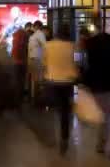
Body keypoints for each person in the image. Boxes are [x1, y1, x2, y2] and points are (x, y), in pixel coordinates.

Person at [82, 19, 110, 154]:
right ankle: (101, 142)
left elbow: (88, 63)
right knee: (106, 114)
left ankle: (100, 140)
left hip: (95, 82)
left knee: (100, 112)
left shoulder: (90, 43)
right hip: (108, 82)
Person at [43, 24, 78, 155]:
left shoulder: (48, 45)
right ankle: (64, 138)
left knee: (53, 109)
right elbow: (74, 64)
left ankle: (52, 137)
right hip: (67, 82)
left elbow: (44, 62)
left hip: (52, 81)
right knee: (65, 112)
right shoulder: (71, 46)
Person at [12, 22, 32, 109]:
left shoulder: (15, 39)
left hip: (16, 62)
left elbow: (14, 51)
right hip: (23, 62)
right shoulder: (25, 38)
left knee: (17, 80)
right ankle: (20, 98)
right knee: (22, 80)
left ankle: (17, 99)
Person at [27, 20, 46, 103]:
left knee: (36, 80)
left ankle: (35, 98)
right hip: (36, 59)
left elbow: (44, 46)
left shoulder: (38, 34)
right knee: (36, 80)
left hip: (35, 59)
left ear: (36, 26)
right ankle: (35, 98)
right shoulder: (37, 35)